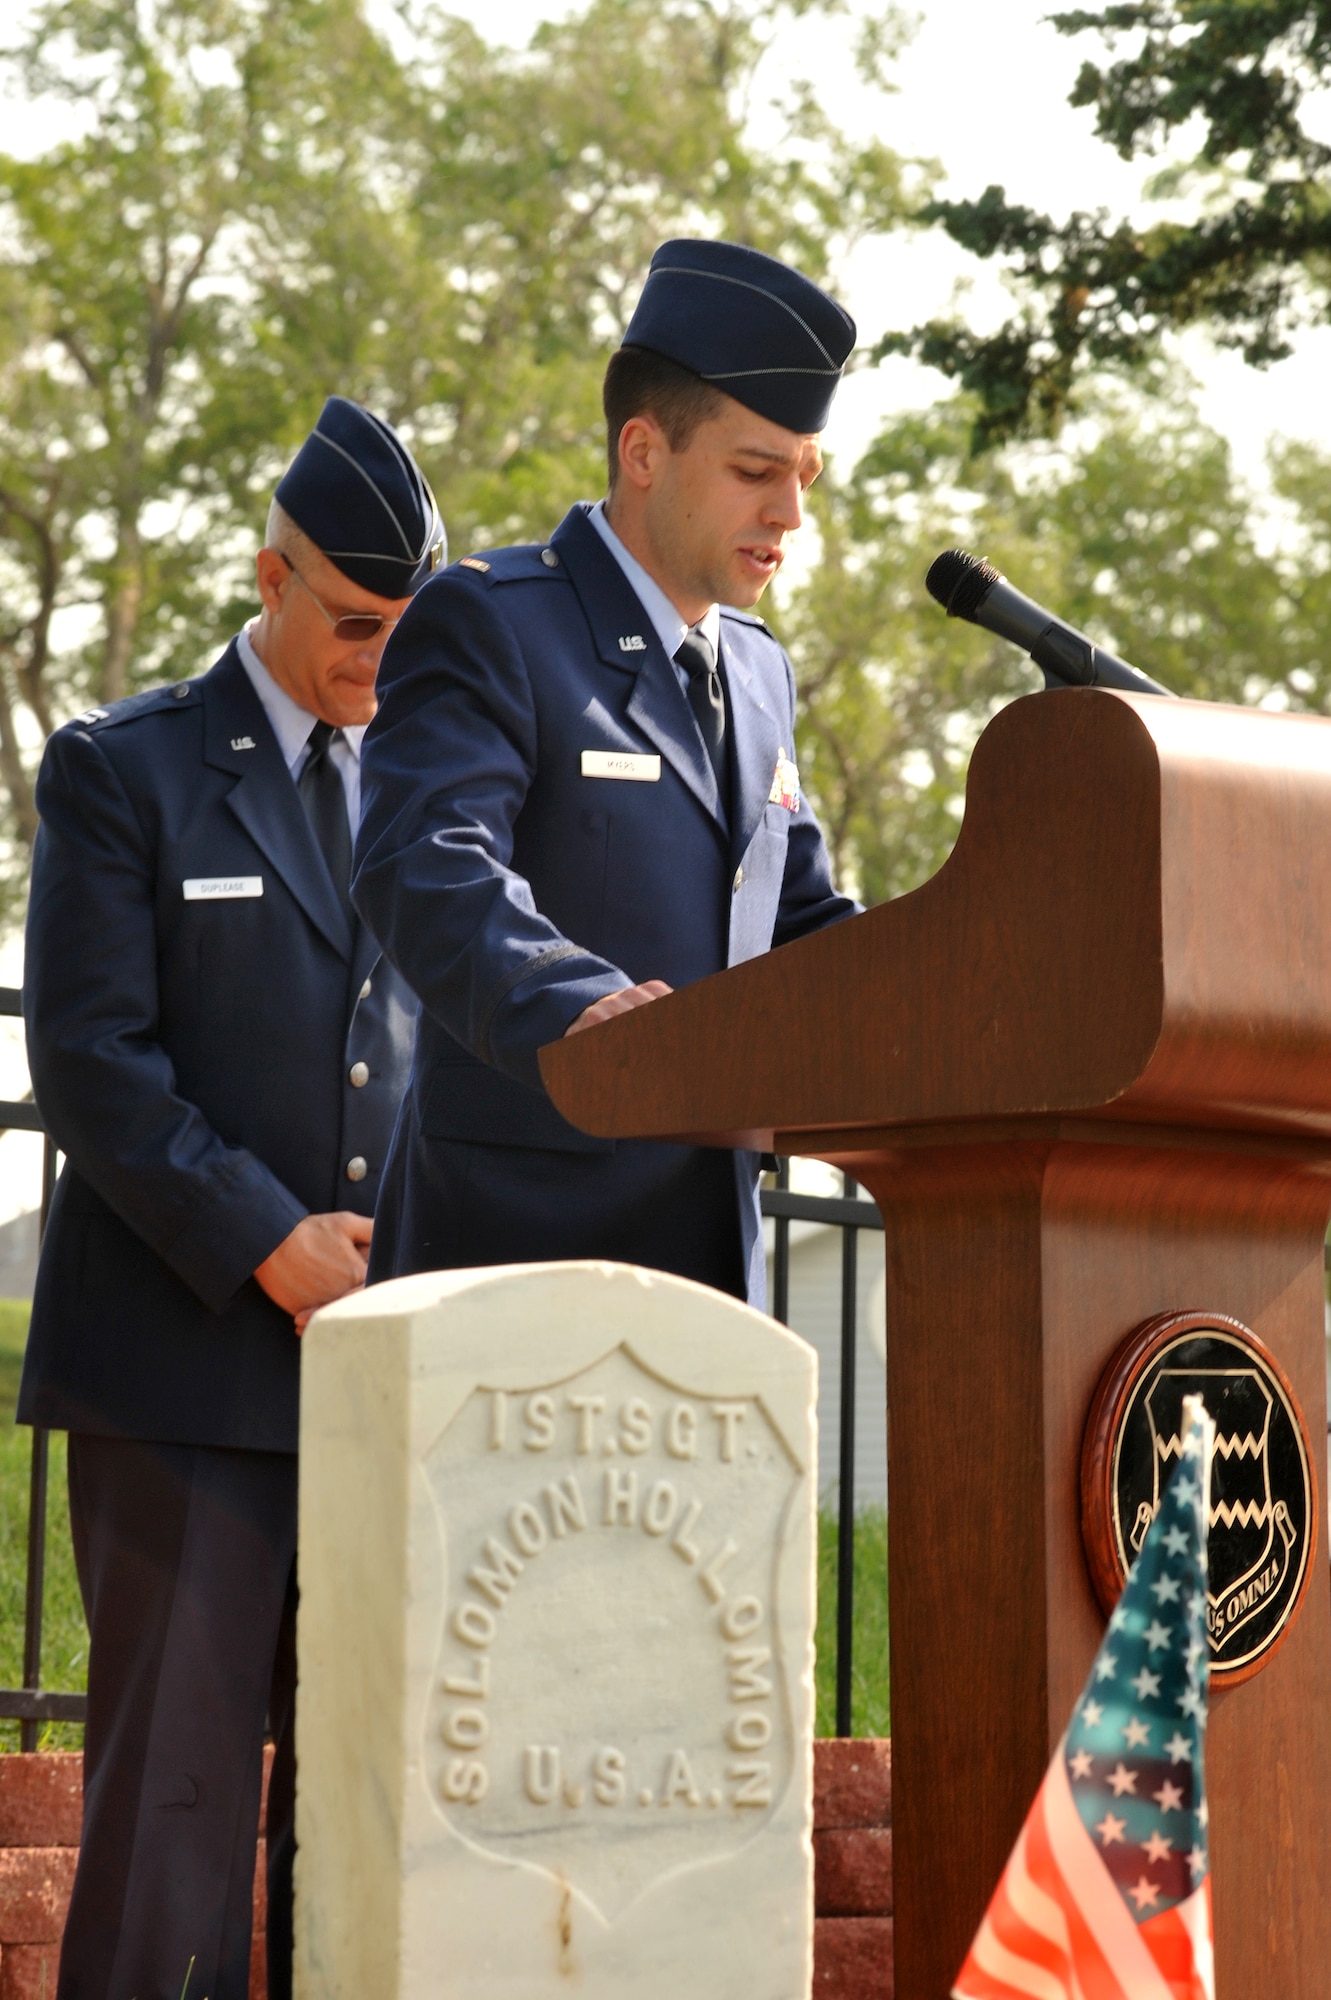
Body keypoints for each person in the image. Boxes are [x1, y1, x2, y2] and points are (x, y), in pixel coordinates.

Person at [18, 396, 442, 2000]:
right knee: (167, 1842)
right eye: (351, 622)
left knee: (360, 1833)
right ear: (268, 576)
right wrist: (265, 1237)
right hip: (182, 1385)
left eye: (409, 631)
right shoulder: (123, 770)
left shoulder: (433, 786)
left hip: (383, 1385)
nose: (380, 661)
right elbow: (92, 1059)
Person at [354, 238, 859, 1305]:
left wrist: (965, 982)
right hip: (511, 1253)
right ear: (643, 451)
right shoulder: (492, 621)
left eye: (803, 477)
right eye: (755, 471)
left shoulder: (759, 673)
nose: (790, 515)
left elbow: (797, 922)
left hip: (712, 1267)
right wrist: (573, 1002)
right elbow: (426, 863)